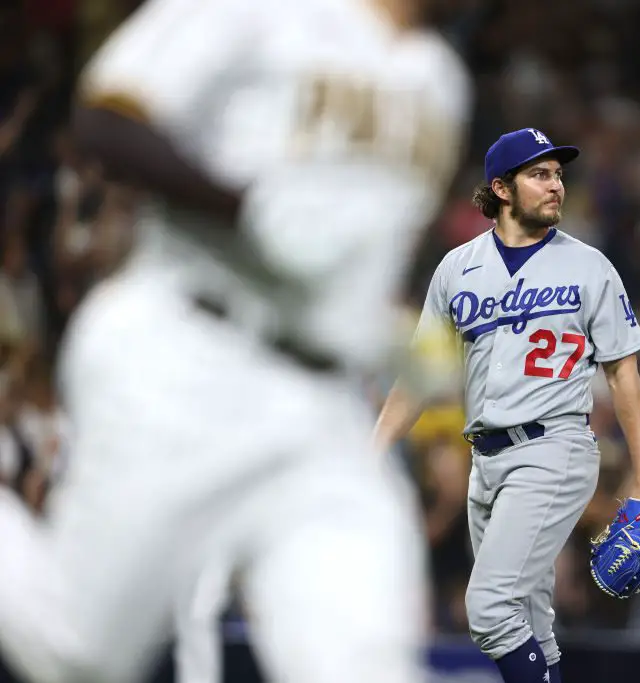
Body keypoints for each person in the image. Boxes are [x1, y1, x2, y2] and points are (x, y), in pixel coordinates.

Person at [0, 0, 472, 681]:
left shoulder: (439, 80)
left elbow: (349, 247)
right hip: (189, 352)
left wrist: (378, 326)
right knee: (79, 652)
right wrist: (244, 212)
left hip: (322, 408)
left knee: (364, 666)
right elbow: (107, 117)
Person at [373, 128, 640, 683]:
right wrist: (371, 451)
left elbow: (624, 374)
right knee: (528, 621)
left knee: (488, 608)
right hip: (485, 460)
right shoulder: (456, 269)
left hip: (553, 447)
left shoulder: (589, 267)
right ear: (501, 189)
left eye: (557, 174)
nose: (556, 185)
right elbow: (417, 380)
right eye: (540, 174)